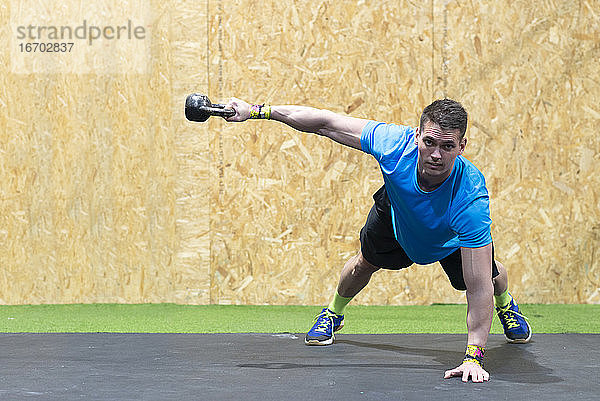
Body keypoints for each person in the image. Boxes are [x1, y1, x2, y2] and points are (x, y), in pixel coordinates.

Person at [223, 97, 531, 383]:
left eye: (447, 146)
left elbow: (478, 287)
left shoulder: (470, 198)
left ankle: (506, 305)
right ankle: (333, 313)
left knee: (488, 277)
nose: (436, 154)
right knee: (362, 265)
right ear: (416, 136)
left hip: (447, 237)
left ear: (462, 146)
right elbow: (326, 122)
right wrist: (256, 111)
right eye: (429, 142)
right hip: (396, 218)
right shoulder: (393, 145)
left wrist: (474, 358)